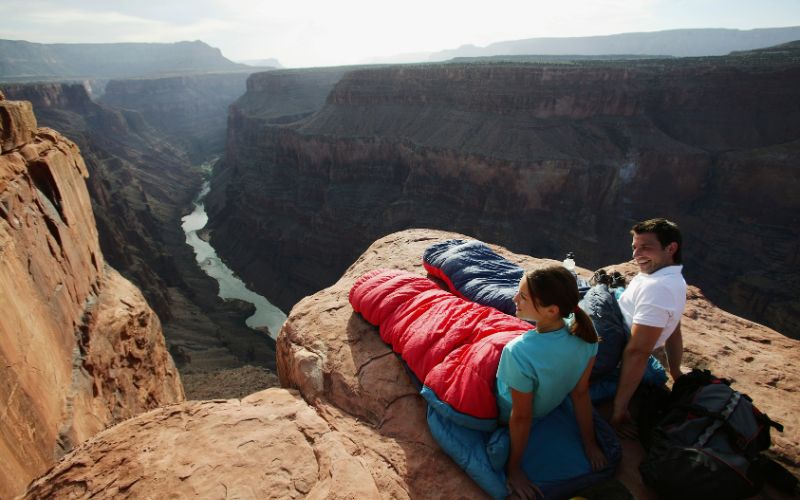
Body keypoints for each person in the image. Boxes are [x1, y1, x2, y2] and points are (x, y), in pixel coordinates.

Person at [497, 266, 607, 499]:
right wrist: (589, 443)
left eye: (523, 296)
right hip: (544, 403)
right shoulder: (586, 334)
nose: (514, 298)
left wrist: (514, 469)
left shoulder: (518, 352)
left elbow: (521, 416)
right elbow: (580, 392)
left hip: (505, 409)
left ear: (551, 310)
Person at [611, 218, 687, 434]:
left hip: (608, 345)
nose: (636, 255)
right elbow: (675, 329)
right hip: (612, 321)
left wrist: (619, 409)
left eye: (645, 247)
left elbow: (637, 352)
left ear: (670, 248)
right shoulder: (664, 276)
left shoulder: (659, 289)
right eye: (635, 247)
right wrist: (675, 371)